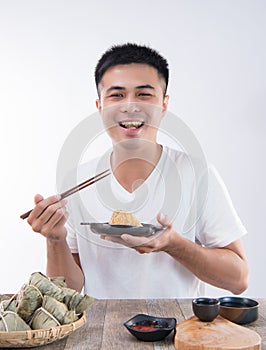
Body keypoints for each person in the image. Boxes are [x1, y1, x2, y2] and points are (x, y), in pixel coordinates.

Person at [27, 43, 249, 298]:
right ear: (100, 106)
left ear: (164, 105)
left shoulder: (196, 174)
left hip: (177, 331)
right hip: (99, 333)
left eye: (144, 95)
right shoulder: (77, 181)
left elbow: (239, 279)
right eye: (117, 95)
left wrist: (174, 245)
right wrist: (55, 239)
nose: (130, 106)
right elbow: (67, 291)